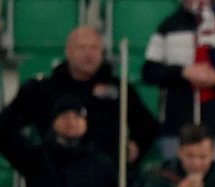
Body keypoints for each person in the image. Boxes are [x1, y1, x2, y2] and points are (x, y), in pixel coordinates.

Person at [5, 27, 158, 170]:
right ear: (68, 51)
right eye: (82, 48)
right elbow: (5, 126)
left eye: (94, 48)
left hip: (105, 176)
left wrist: (136, 146)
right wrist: (27, 158)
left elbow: (148, 127)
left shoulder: (120, 89)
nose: (89, 54)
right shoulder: (42, 89)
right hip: (56, 175)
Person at [142, 0, 215, 163]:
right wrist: (183, 73)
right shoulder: (169, 25)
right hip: (175, 127)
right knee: (173, 182)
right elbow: (149, 72)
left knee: (214, 184)